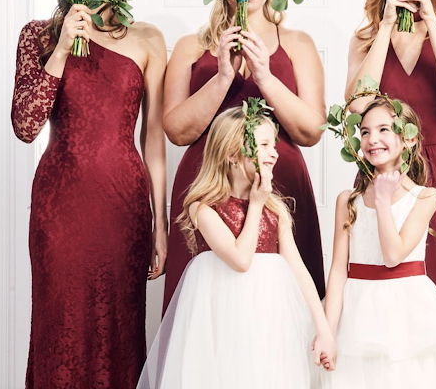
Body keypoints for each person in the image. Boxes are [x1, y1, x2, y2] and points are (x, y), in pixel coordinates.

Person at [11, 0, 167, 388]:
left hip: (124, 208)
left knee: (119, 327)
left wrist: (159, 223)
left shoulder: (147, 39)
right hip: (60, 207)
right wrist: (61, 48)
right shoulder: (37, 36)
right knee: (59, 321)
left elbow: (153, 139)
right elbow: (24, 127)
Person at [344, 0, 436, 369]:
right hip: (382, 179)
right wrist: (385, 27)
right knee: (382, 293)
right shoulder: (365, 38)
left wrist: (430, 19)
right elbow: (356, 107)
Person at [138, 105, 335, 389]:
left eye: (274, 145)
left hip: (269, 314)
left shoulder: (276, 209)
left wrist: (323, 329)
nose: (275, 153)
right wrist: (255, 204)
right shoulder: (203, 208)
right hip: (222, 315)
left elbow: (299, 270)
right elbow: (241, 260)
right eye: (264, 145)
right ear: (232, 154)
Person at [162, 0, 326, 312]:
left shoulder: (298, 43)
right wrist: (223, 78)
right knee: (206, 304)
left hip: (279, 181)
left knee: (283, 301)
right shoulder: (189, 47)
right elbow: (177, 132)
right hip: (208, 183)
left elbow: (311, 132)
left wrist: (264, 76)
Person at [318, 97, 436, 387]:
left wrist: (381, 199)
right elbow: (339, 270)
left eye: (383, 130)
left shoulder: (425, 197)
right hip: (356, 312)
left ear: (408, 140)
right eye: (364, 131)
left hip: (405, 311)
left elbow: (393, 256)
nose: (372, 139)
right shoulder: (347, 200)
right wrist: (327, 331)